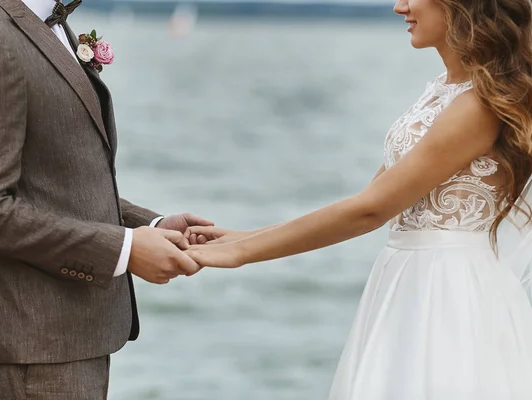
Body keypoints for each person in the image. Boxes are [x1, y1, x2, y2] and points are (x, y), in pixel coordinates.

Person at [185, 0, 532, 398]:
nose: (400, 7)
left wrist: (240, 255)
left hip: (449, 293)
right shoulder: (445, 91)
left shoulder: (477, 105)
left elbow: (370, 211)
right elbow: (370, 197)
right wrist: (240, 237)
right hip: (409, 280)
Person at [0, 0, 212, 398]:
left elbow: (57, 184)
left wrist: (148, 226)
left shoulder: (51, 25)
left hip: (71, 342)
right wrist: (124, 249)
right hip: (32, 351)